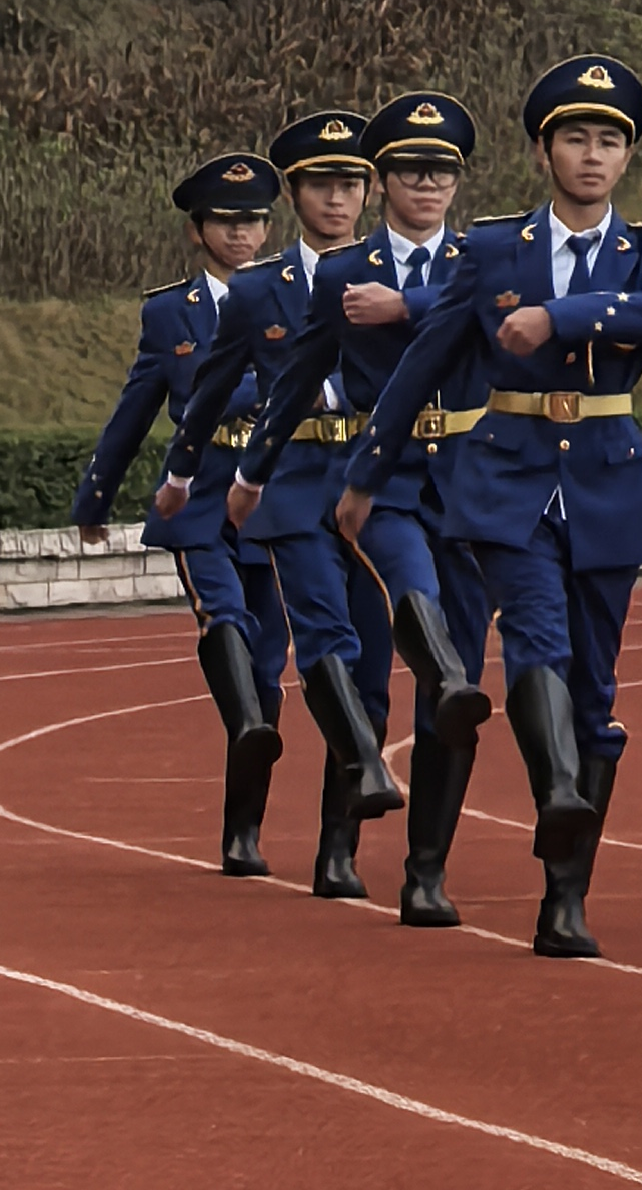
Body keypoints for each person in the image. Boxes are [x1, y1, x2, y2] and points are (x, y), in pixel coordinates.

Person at [340, 55, 642, 961]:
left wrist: (562, 317)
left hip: (608, 482)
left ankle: (564, 898)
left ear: (627, 157)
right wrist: (366, 473)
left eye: (609, 140)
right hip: (508, 479)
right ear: (543, 152)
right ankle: (557, 793)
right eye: (575, 138)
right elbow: (423, 360)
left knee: (596, 689)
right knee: (536, 635)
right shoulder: (494, 249)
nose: (592, 155)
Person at [233, 91, 494, 926]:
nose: (430, 184)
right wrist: (251, 473)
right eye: (412, 170)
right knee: (375, 671)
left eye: (444, 170)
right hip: (377, 480)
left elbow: (497, 321)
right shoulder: (344, 274)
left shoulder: (487, 258)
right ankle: (341, 841)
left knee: (456, 691)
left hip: (470, 481)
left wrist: (407, 307)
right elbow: (297, 379)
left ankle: (426, 871)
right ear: (385, 182)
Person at [163, 112, 395, 897]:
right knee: (321, 642)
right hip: (289, 483)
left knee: (374, 674)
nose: (338, 198)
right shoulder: (262, 289)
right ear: (293, 195)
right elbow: (209, 389)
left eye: (351, 183)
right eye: (320, 184)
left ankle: (339, 848)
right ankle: (323, 789)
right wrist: (181, 473)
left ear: (370, 190)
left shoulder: (400, 275)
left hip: (374, 481)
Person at [72, 151, 289, 878]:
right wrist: (95, 496)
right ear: (198, 230)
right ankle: (247, 724)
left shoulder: (293, 294)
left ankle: (243, 830)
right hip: (196, 495)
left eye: (253, 221)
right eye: (226, 222)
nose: (241, 234)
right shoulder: (171, 312)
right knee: (221, 613)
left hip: (270, 492)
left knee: (268, 664)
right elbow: (138, 407)